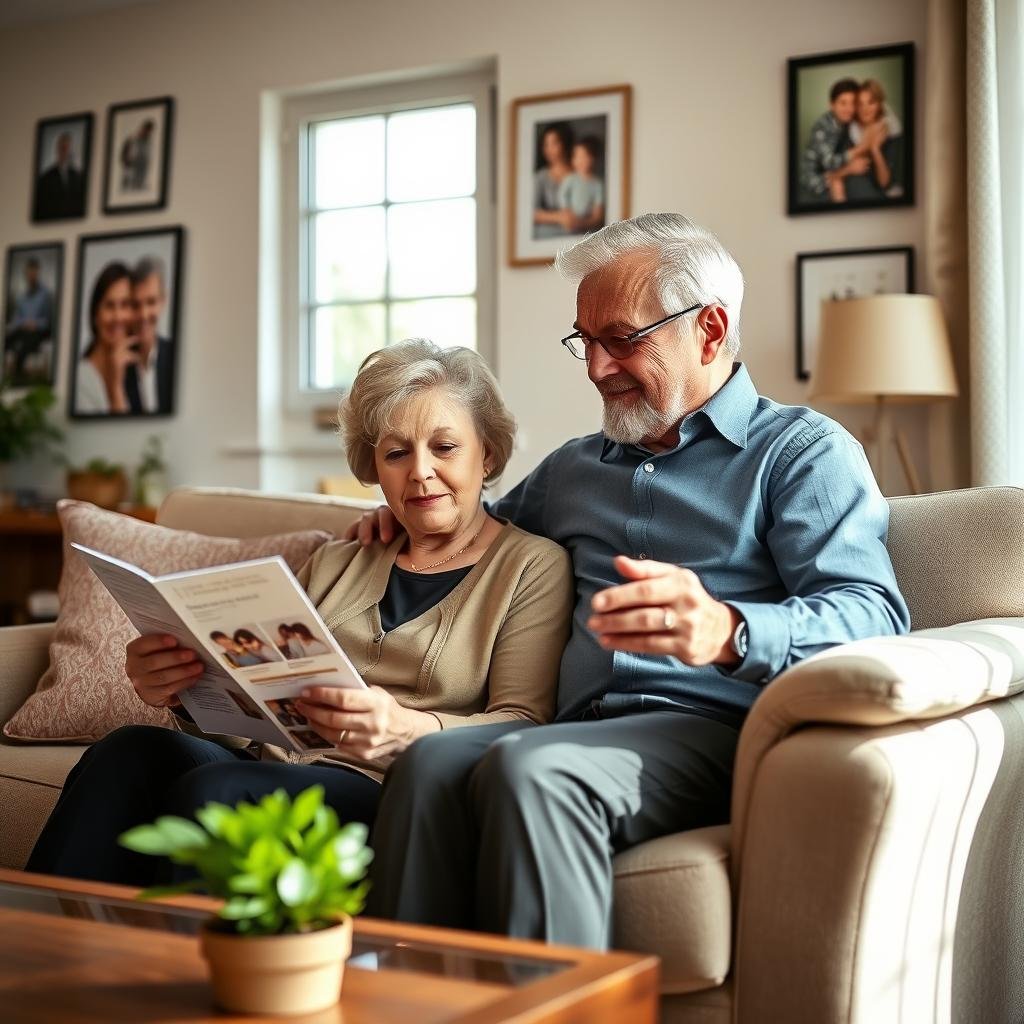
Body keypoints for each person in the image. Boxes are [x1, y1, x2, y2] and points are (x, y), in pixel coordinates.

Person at [352, 212, 911, 949]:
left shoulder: (800, 454)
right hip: (576, 726)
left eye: (623, 339)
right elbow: (479, 536)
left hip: (714, 731)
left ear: (709, 330)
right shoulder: (573, 470)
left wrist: (729, 630)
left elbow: (874, 614)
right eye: (585, 342)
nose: (596, 368)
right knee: (428, 760)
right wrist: (401, 519)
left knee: (536, 773)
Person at [26, 340, 574, 887]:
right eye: (396, 453)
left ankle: (179, 968)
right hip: (274, 764)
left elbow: (523, 723)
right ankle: (40, 951)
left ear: (490, 455)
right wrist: (185, 692)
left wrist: (409, 729)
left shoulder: (531, 566)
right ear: (374, 468)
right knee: (126, 752)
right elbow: (258, 710)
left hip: (393, 789)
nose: (421, 473)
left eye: (445, 447)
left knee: (217, 798)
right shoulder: (339, 559)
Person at [73, 263, 141, 415]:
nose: (117, 317)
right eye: (109, 306)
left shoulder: (137, 374)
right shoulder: (81, 380)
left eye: (125, 305)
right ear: (95, 315)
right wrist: (115, 388)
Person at [799, 78, 871, 204]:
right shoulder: (822, 127)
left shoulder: (848, 123)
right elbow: (830, 163)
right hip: (814, 178)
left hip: (831, 171)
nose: (849, 108)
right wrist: (853, 161)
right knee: (837, 185)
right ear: (832, 105)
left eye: (853, 103)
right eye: (843, 103)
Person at [124, 256, 175, 415]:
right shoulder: (117, 364)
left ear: (163, 301)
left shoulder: (176, 355)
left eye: (151, 302)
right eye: (136, 305)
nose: (143, 314)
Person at [843, 78, 905, 201]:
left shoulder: (892, 133)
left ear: (879, 105)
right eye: (860, 104)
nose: (865, 109)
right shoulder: (849, 131)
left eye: (871, 102)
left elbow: (885, 183)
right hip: (859, 186)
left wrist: (875, 149)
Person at [4, 257, 54, 385]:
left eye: (34, 272)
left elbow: (48, 321)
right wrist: (24, 323)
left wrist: (35, 324)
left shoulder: (45, 294)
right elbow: (16, 319)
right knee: (6, 340)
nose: (31, 275)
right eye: (29, 273)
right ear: (26, 274)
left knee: (23, 349)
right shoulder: (22, 296)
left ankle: (18, 381)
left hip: (38, 332)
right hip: (22, 329)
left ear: (37, 273)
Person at [532, 123, 574, 239]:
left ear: (564, 143)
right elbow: (530, 212)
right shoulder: (540, 177)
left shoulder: (580, 173)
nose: (549, 149)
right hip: (549, 236)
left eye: (554, 143)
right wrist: (559, 217)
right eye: (546, 145)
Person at [556, 137, 605, 235]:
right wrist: (567, 212)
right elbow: (562, 196)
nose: (580, 160)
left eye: (584, 156)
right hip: (569, 219)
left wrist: (583, 223)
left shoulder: (597, 184)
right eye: (577, 156)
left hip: (586, 224)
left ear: (593, 158)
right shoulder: (570, 179)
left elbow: (597, 214)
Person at [33, 130, 86, 221]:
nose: (65, 152)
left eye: (67, 148)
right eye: (62, 148)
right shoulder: (46, 177)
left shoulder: (78, 176)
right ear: (57, 149)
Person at [120, 119, 154, 192]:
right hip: (133, 163)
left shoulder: (148, 140)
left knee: (140, 182)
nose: (148, 132)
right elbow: (125, 152)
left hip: (142, 163)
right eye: (147, 130)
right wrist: (126, 160)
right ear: (144, 128)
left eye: (149, 131)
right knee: (129, 181)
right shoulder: (132, 138)